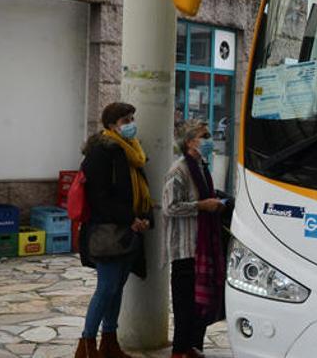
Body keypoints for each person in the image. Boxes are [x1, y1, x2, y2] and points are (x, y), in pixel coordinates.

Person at [76, 103, 154, 358]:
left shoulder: (132, 150)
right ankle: (86, 345)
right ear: (111, 125)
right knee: (106, 287)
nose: (131, 123)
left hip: (128, 230)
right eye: (125, 119)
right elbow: (99, 197)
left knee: (118, 287)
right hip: (106, 231)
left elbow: (141, 188)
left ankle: (109, 342)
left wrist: (144, 218)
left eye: (132, 118)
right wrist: (129, 218)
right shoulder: (102, 151)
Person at [163, 120, 227, 358]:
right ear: (190, 142)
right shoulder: (179, 170)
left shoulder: (202, 166)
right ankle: (180, 350)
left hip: (204, 245)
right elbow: (169, 207)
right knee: (185, 305)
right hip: (185, 248)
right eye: (205, 136)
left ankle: (193, 347)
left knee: (201, 303)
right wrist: (202, 205)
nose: (210, 140)